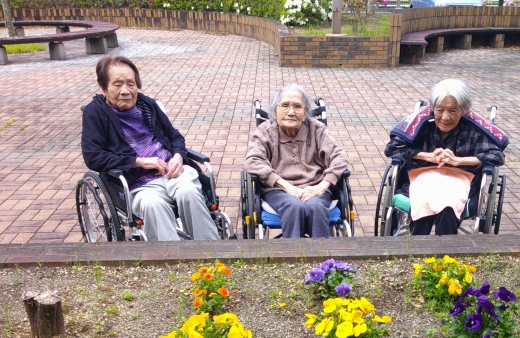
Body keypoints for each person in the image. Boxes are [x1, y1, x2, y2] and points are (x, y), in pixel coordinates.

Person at [81, 56, 220, 241]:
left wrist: (178, 156)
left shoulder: (147, 105)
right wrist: (137, 162)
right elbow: (94, 157)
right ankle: (172, 256)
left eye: (131, 84)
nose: (125, 91)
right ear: (104, 88)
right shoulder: (95, 113)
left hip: (173, 172)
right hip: (138, 184)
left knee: (189, 193)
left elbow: (175, 136)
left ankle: (210, 250)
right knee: (153, 205)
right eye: (117, 84)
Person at [384, 79, 505, 235]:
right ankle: (416, 247)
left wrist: (457, 161)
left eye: (453, 111)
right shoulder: (422, 127)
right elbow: (393, 148)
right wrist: (428, 157)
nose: (445, 117)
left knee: (448, 208)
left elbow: (496, 156)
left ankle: (445, 249)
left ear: (463, 110)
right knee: (423, 205)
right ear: (432, 108)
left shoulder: (472, 131)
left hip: (460, 182)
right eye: (440, 110)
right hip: (424, 179)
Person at [244, 84, 350, 238]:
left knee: (316, 207)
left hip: (315, 188)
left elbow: (340, 156)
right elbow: (253, 160)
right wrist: (287, 187)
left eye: (297, 106)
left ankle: (321, 254)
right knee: (293, 206)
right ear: (274, 111)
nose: (291, 112)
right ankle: (293, 253)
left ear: (305, 112)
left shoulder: (317, 130)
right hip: (278, 190)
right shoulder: (265, 132)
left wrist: (322, 186)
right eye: (285, 105)